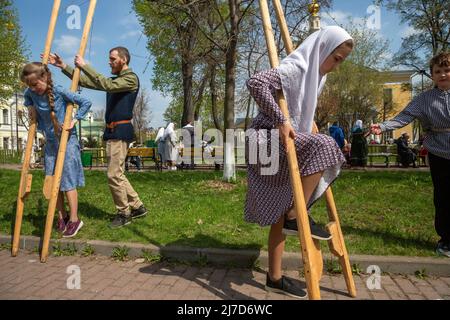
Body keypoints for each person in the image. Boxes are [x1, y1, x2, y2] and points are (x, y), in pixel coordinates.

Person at [246, 26, 353, 298]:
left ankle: (275, 276)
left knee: (280, 212)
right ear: (324, 50)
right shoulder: (297, 69)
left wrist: (298, 122)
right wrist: (282, 120)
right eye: (336, 58)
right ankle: (296, 213)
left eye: (341, 61)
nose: (336, 66)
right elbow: (256, 83)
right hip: (266, 140)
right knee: (327, 145)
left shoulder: (316, 76)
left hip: (283, 141)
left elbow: (298, 109)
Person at [47, 47, 147, 228]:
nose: (109, 62)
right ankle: (137, 206)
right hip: (112, 131)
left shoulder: (130, 79)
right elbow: (89, 82)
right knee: (117, 173)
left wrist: (85, 65)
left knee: (113, 174)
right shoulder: (117, 80)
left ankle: (124, 212)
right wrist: (64, 66)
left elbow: (105, 84)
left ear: (123, 60)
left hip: (120, 130)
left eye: (112, 59)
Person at [371, 52, 450, 258]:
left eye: (447, 70)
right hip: (439, 152)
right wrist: (383, 125)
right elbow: (404, 117)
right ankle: (446, 240)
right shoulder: (424, 99)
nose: (443, 75)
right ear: (432, 75)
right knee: (443, 197)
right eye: (438, 72)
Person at [21, 62, 92, 238]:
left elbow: (85, 102)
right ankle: (62, 216)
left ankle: (75, 219)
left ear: (44, 78)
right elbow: (27, 97)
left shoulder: (59, 91)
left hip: (67, 142)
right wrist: (30, 106)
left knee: (67, 180)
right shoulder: (31, 92)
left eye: (35, 84)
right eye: (30, 85)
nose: (33, 88)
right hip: (51, 143)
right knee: (52, 180)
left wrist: (74, 120)